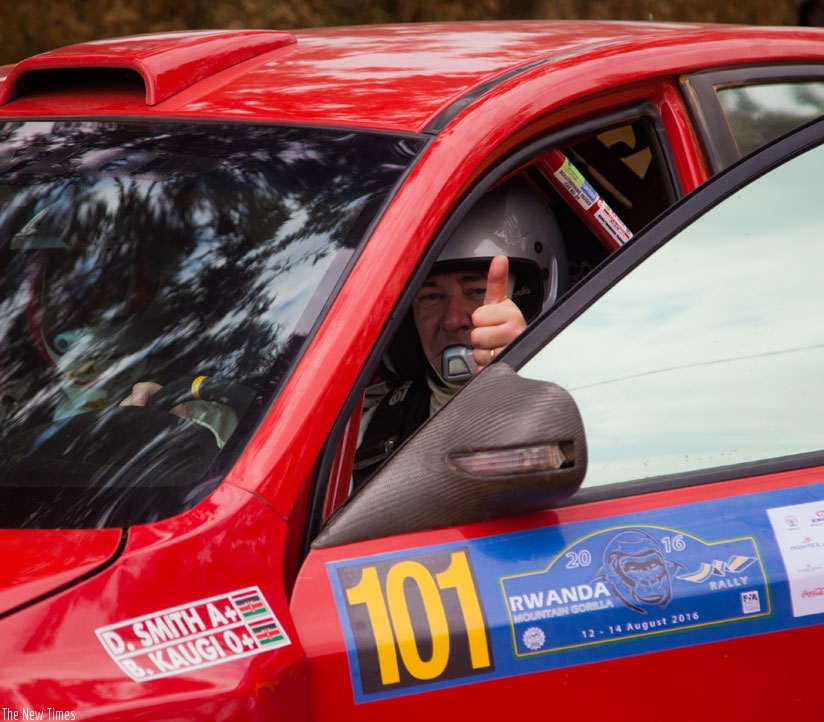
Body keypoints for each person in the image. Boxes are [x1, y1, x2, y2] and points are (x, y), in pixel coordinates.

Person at [352, 177, 568, 488]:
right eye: (430, 296)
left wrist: (521, 380)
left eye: (477, 290)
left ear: (531, 297)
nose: (453, 320)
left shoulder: (593, 401)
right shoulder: (365, 430)